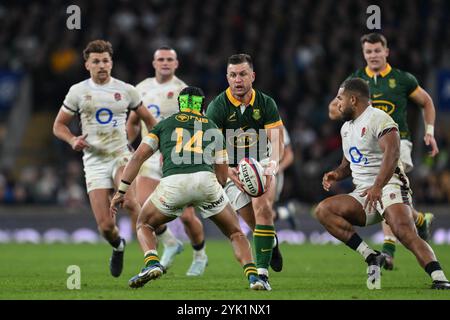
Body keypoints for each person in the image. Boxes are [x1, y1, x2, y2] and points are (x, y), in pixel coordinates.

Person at [110, 86, 269, 290]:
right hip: (206, 181)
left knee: (144, 224)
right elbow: (221, 177)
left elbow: (138, 157)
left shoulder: (163, 125)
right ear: (202, 107)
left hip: (174, 182)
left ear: (180, 105)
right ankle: (253, 277)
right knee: (236, 233)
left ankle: (151, 262)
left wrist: (121, 191)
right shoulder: (213, 127)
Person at [316, 78, 450, 290]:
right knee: (324, 211)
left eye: (340, 98)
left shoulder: (378, 118)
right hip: (364, 193)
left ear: (353, 99)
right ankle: (371, 256)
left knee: (403, 231)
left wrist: (378, 186)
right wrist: (336, 174)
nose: (337, 104)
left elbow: (393, 152)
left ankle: (439, 277)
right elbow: (348, 163)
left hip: (389, 185)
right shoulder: (346, 128)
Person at [329, 33, 437, 270]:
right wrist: (343, 107)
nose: (373, 55)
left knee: (387, 187)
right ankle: (419, 218)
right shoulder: (355, 80)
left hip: (399, 143)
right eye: (369, 52)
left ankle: (387, 251)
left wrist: (429, 131)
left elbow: (427, 102)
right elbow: (333, 110)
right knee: (387, 195)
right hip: (367, 147)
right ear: (363, 54)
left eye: (377, 51)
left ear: (386, 52)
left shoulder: (401, 79)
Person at [53, 40, 156, 278]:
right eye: (96, 61)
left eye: (106, 61)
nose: (102, 65)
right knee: (106, 227)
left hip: (121, 155)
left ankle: (150, 258)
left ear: (112, 63)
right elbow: (58, 126)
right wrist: (72, 140)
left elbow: (150, 121)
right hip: (94, 161)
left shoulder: (127, 90)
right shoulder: (78, 92)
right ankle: (118, 246)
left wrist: (151, 147)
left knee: (130, 202)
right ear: (87, 64)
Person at [206, 54, 285, 290]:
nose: (237, 80)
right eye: (233, 75)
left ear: (252, 76)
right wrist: (229, 172)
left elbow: (277, 139)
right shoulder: (217, 106)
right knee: (255, 225)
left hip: (260, 162)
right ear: (227, 78)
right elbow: (210, 149)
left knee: (263, 209)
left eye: (242, 74)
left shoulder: (266, 103)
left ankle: (262, 276)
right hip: (231, 168)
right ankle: (271, 243)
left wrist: (272, 165)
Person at [127, 46, 208, 276]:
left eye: (169, 59)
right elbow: (133, 121)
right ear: (153, 63)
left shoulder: (184, 91)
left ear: (176, 64)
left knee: (186, 216)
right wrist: (127, 142)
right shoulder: (140, 89)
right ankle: (171, 243)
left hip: (178, 157)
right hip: (151, 157)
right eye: (160, 59)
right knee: (143, 207)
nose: (164, 62)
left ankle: (200, 254)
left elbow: (197, 123)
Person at [270, 127, 296, 229]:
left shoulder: (276, 124)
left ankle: (266, 241)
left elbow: (289, 155)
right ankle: (285, 212)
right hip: (252, 173)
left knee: (265, 211)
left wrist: (278, 168)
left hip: (272, 175)